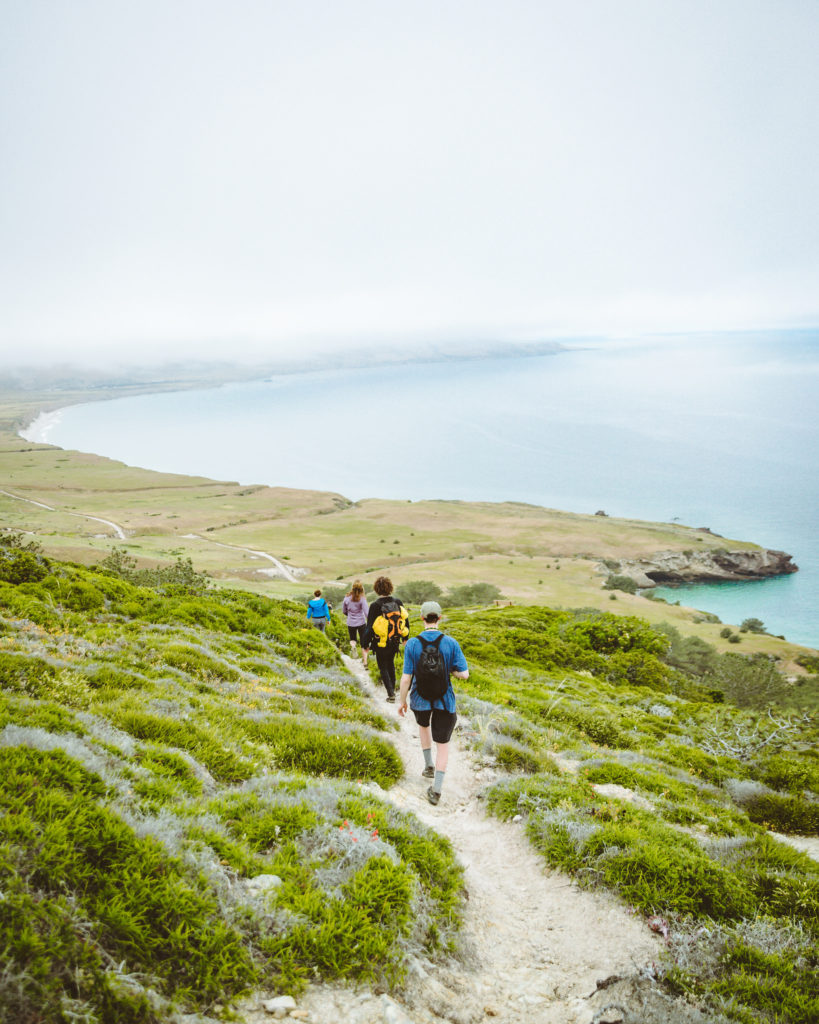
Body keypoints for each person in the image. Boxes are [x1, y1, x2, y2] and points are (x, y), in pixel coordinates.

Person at [398, 600, 468, 805]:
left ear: (421, 618)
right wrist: (450, 671)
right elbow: (464, 675)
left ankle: (428, 765)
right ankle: (436, 790)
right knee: (443, 745)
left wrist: (402, 701)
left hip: (419, 698)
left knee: (423, 726)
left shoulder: (412, 643)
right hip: (445, 701)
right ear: (439, 618)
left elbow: (405, 679)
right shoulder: (451, 643)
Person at [366, 576, 409, 703]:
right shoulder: (398, 602)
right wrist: (405, 637)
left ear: (376, 589)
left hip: (380, 642)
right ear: (390, 588)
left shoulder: (375, 605)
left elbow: (369, 626)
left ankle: (391, 694)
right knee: (390, 664)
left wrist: (365, 643)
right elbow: (405, 621)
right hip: (395, 639)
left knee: (383, 667)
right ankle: (393, 691)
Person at [342, 580, 369, 664]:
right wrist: (370, 621)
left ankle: (353, 647)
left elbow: (344, 611)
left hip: (350, 622)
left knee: (353, 639)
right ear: (361, 589)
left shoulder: (346, 598)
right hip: (361, 622)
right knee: (363, 642)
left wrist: (349, 615)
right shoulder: (362, 599)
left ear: (352, 588)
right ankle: (365, 662)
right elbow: (366, 612)